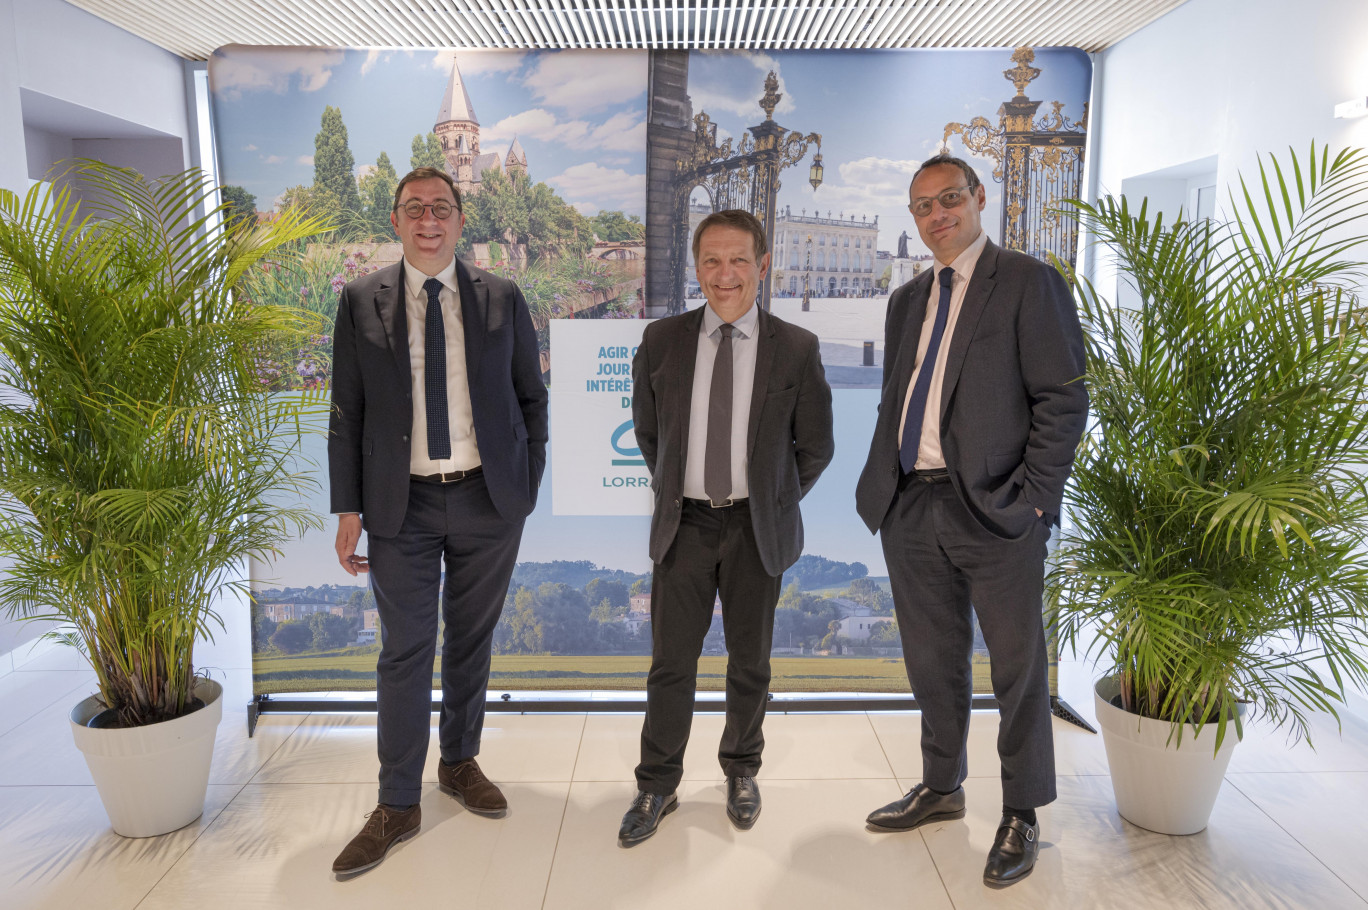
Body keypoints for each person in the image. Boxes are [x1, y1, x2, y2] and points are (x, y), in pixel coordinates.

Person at [854, 153, 1087, 886]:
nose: (936, 216)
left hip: (995, 511)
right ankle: (942, 786)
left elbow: (1063, 398)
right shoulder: (906, 301)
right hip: (911, 504)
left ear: (978, 198)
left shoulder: (1027, 282)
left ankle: (1021, 811)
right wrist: (886, 488)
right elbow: (901, 398)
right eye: (922, 207)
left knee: (1017, 670)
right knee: (933, 661)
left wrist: (1035, 501)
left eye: (949, 199)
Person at [327, 167, 548, 876]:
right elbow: (346, 413)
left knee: (472, 642)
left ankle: (458, 763)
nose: (429, 220)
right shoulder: (362, 299)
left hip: (489, 498)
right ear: (396, 221)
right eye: (415, 209)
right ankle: (397, 803)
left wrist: (523, 485)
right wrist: (348, 510)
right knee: (405, 650)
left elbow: (530, 400)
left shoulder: (501, 297)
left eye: (442, 208)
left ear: (460, 219)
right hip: (402, 504)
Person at [619, 209, 834, 846]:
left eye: (739, 260)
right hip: (683, 527)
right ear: (696, 268)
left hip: (754, 530)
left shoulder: (796, 347)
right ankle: (657, 783)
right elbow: (650, 433)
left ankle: (741, 770)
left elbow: (815, 447)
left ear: (762, 267)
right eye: (711, 261)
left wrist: (768, 500)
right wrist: (677, 491)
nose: (725, 274)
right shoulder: (662, 339)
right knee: (670, 665)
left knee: (751, 663)